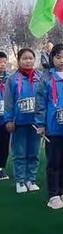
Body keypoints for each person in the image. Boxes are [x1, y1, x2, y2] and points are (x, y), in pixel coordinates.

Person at [35, 44, 63, 209]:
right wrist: (40, 124)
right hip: (53, 129)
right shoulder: (47, 79)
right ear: (52, 59)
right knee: (54, 162)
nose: (62, 61)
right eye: (58, 57)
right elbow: (40, 103)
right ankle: (53, 195)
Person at [4, 48, 42, 193]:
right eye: (25, 58)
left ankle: (30, 179)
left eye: (31, 58)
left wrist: (42, 120)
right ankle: (20, 181)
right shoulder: (12, 79)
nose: (28, 61)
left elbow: (44, 99)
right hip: (18, 123)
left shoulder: (40, 77)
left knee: (34, 153)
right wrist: (8, 120)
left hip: (36, 123)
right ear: (19, 60)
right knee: (19, 153)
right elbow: (8, 102)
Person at [0, 51, 10, 180]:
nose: (2, 65)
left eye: (4, 62)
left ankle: (1, 168)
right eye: (0, 62)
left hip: (4, 119)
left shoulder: (10, 79)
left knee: (4, 144)